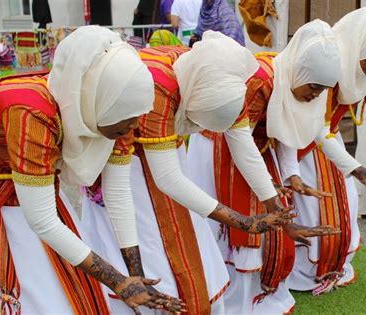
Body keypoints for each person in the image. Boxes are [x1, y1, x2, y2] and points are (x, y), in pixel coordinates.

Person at [0, 26, 185, 314]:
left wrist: (135, 276)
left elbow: (117, 191)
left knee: (65, 284)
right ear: (98, 104)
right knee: (20, 289)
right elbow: (42, 219)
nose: (132, 130)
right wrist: (118, 282)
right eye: (126, 124)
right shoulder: (31, 111)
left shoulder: (115, 112)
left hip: (36, 188)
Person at [82, 31, 296, 315]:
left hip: (166, 157)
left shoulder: (223, 77)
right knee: (150, 241)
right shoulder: (157, 83)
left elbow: (242, 144)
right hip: (128, 163)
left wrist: (274, 205)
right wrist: (242, 222)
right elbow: (166, 179)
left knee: (188, 238)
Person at [187, 19, 341, 314]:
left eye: (323, 89)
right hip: (219, 146)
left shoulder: (294, 79)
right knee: (237, 224)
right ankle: (231, 301)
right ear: (301, 72)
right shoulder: (261, 80)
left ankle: (261, 296)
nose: (316, 95)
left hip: (257, 149)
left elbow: (287, 127)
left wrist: (291, 174)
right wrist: (275, 206)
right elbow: (240, 144)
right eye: (315, 86)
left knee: (269, 224)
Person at [281, 7, 366, 295]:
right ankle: (298, 272)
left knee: (346, 203)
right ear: (358, 46)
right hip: (297, 142)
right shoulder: (329, 61)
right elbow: (318, 129)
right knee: (307, 209)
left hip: (328, 144)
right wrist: (357, 169)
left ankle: (332, 269)